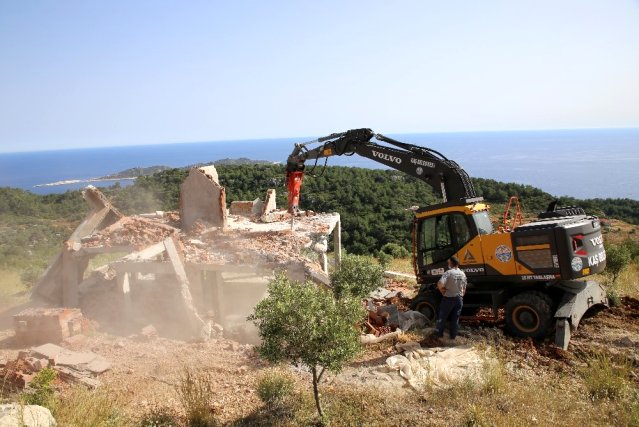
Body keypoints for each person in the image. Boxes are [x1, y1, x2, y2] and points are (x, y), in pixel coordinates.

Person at [434, 256, 467, 340]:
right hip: (459, 299)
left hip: (448, 298)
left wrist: (442, 291)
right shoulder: (463, 273)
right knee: (455, 319)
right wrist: (461, 295)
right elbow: (464, 287)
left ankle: (438, 335)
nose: (448, 264)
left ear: (451, 263)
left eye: (448, 263)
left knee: (442, 317)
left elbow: (440, 283)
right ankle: (453, 337)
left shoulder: (448, 273)